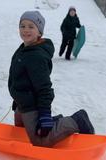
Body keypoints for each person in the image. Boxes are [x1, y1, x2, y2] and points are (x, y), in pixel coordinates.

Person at [8, 11, 94, 147]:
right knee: (20, 131)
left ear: (39, 32)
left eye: (31, 26)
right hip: (22, 104)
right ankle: (54, 122)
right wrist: (17, 100)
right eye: (22, 26)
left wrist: (45, 115)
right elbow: (20, 79)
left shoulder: (36, 57)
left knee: (39, 141)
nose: (25, 30)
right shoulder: (24, 48)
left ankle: (76, 120)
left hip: (32, 105)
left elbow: (44, 90)